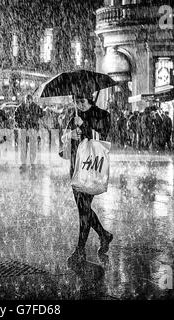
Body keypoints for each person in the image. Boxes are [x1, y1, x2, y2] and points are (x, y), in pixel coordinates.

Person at [67, 95, 113, 265]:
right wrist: (70, 134)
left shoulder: (103, 115)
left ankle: (80, 250)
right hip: (76, 167)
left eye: (82, 101)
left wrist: (84, 126)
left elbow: (103, 137)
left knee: (84, 209)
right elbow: (64, 141)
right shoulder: (74, 115)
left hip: (92, 167)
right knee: (83, 209)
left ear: (90, 100)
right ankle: (104, 235)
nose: (79, 104)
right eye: (76, 101)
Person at [14, 94, 44, 170]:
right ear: (25, 100)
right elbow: (16, 116)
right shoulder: (21, 107)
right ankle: (23, 163)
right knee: (23, 147)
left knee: (32, 147)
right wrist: (20, 123)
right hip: (24, 129)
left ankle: (32, 163)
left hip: (32, 129)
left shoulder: (35, 107)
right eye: (26, 100)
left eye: (29, 100)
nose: (28, 102)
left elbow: (42, 114)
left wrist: (35, 117)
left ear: (32, 100)